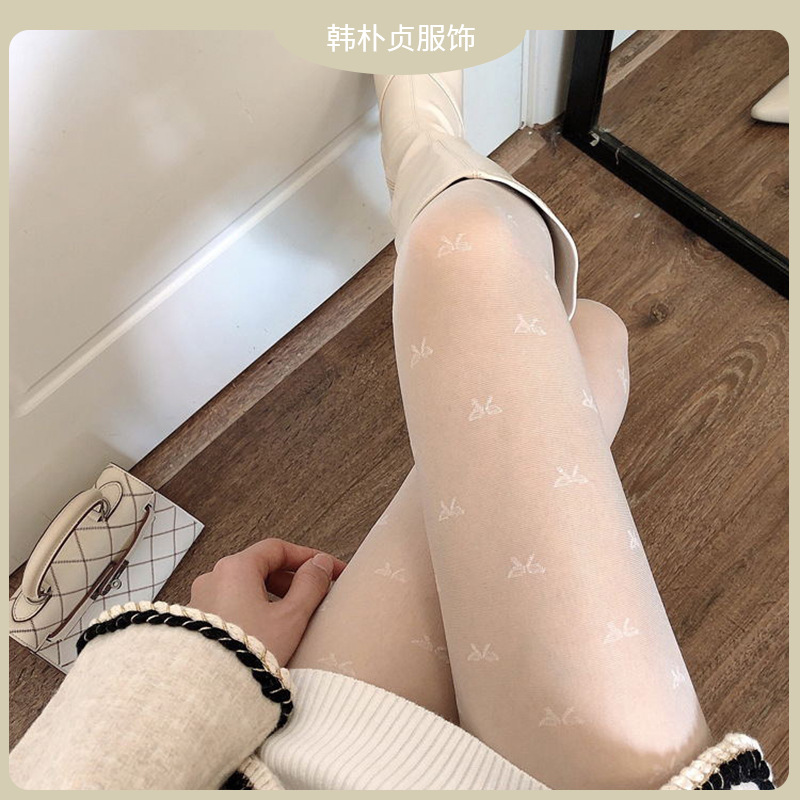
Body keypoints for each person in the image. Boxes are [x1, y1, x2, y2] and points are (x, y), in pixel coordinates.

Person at [9, 71, 776, 791]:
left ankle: (430, 146)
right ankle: (426, 137)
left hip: (330, 766)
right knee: (489, 264)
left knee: (590, 340)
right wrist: (207, 659)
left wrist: (206, 668)